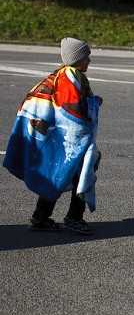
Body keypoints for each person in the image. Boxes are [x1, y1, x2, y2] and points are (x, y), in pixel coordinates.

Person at [3, 37, 102, 235]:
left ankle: (40, 218)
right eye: (86, 57)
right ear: (77, 59)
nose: (89, 61)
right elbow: (70, 113)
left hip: (53, 135)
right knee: (81, 171)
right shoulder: (69, 79)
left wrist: (93, 103)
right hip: (66, 138)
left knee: (56, 173)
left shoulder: (63, 75)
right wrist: (83, 137)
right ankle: (74, 218)